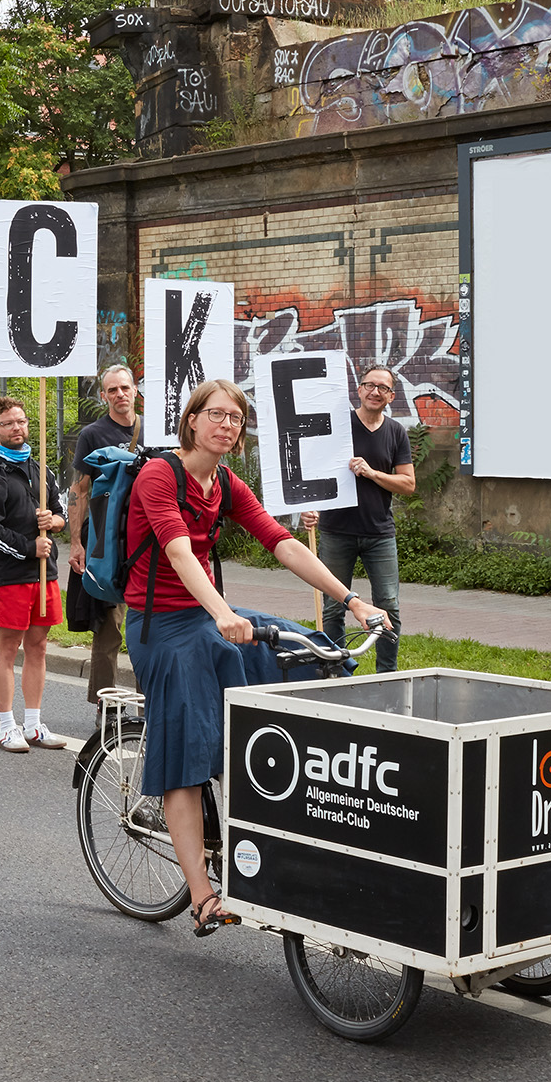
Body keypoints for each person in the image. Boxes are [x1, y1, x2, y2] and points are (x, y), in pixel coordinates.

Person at [125, 379, 386, 935]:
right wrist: (222, 612)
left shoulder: (223, 483)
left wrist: (352, 599)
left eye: (236, 418)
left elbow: (281, 542)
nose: (226, 424)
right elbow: (175, 548)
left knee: (311, 650)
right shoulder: (158, 475)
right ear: (191, 420)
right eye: (215, 414)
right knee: (188, 752)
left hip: (209, 616)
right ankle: (202, 896)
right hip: (162, 626)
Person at [302, 363, 415, 674]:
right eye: (369, 385)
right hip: (336, 531)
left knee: (389, 605)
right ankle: (338, 670)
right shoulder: (337, 427)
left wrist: (373, 473)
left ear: (391, 396)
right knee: (333, 607)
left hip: (380, 533)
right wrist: (309, 507)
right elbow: (314, 472)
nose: (375, 392)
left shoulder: (396, 432)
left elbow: (408, 484)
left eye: (382, 388)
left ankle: (386, 674)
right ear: (359, 389)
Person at [0, 394, 68, 753]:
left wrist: (53, 522)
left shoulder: (43, 470)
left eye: (22, 421)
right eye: (9, 423)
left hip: (46, 574)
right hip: (11, 575)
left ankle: (33, 724)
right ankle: (6, 726)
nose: (18, 428)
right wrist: (30, 548)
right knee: (9, 648)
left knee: (39, 647)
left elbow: (63, 514)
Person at [66, 364, 140, 703]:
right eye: (112, 390)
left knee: (147, 628)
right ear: (103, 396)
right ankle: (105, 706)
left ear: (135, 390)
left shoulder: (157, 430)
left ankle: (149, 703)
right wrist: (77, 543)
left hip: (145, 542)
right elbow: (79, 490)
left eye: (124, 388)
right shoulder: (93, 435)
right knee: (108, 628)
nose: (120, 395)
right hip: (107, 542)